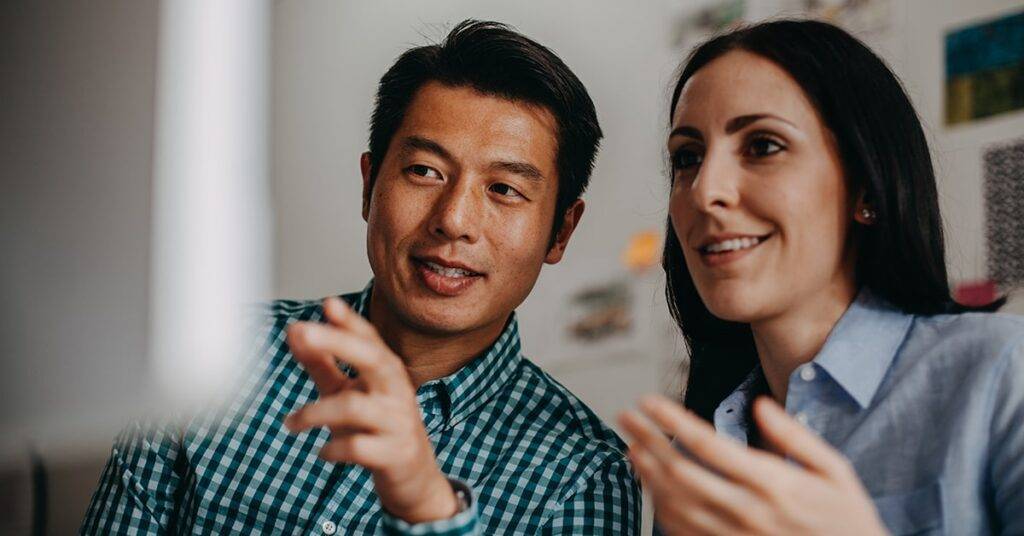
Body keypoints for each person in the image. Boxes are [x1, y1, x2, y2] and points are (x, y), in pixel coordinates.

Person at [82, 20, 640, 535]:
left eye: (504, 189)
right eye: (425, 171)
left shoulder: (583, 477)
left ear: (560, 231)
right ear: (370, 185)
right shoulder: (214, 354)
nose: (454, 220)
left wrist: (429, 511)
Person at [619, 19, 1024, 535]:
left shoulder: (1003, 370)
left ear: (867, 187)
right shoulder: (698, 461)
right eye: (688, 158)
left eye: (762, 146)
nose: (705, 191)